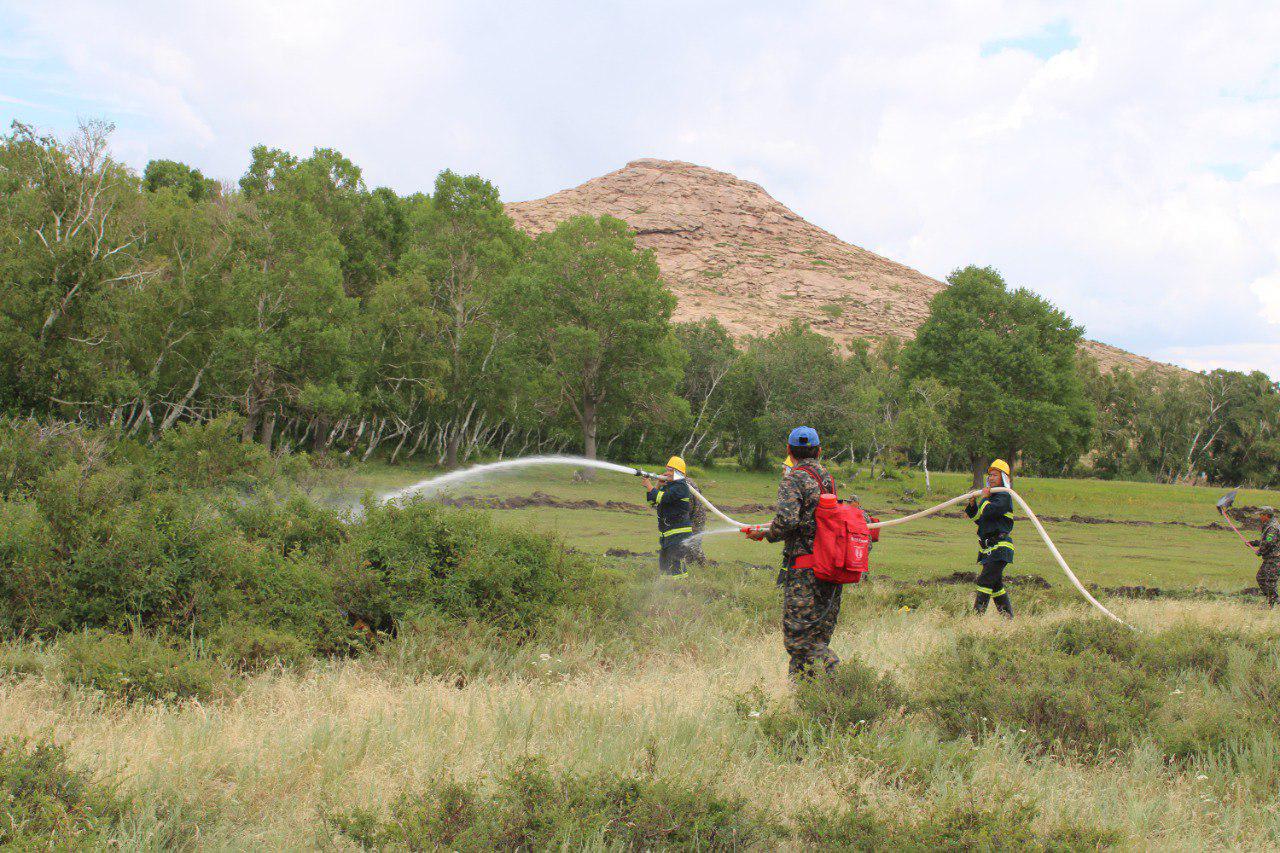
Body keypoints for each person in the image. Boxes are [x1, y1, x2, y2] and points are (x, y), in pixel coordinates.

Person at [744, 426, 842, 679]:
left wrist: (765, 533)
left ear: (789, 451)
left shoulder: (794, 478)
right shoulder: (827, 478)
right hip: (829, 568)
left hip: (805, 571)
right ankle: (803, 699)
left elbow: (787, 521)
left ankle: (844, 682)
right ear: (819, 451)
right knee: (816, 637)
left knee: (799, 642)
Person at [965, 459, 1015, 618]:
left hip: (1000, 547)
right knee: (995, 585)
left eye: (995, 475)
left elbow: (989, 511)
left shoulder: (1004, 496)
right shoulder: (991, 497)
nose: (991, 478)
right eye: (990, 475)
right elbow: (979, 518)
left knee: (984, 581)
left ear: (1003, 478)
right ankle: (1008, 619)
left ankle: (975, 619)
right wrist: (973, 504)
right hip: (988, 549)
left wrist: (984, 498)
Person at [643, 456, 694, 578]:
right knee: (664, 565)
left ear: (679, 473)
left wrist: (648, 485)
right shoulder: (669, 486)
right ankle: (666, 589)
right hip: (667, 534)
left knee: (676, 564)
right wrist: (657, 485)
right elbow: (652, 502)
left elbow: (662, 498)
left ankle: (681, 589)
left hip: (678, 533)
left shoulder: (681, 487)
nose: (667, 473)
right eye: (667, 470)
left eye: (670, 470)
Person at [1248, 506, 1279, 608]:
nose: (1259, 517)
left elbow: (1269, 542)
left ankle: (1272, 602)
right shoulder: (1269, 525)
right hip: (1270, 558)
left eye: (1261, 515)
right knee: (1262, 578)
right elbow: (1265, 541)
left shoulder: (1273, 527)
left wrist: (1260, 551)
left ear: (1266, 515)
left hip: (1275, 558)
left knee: (1270, 581)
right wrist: (1253, 543)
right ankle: (1272, 601)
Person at [684, 472, 710, 567]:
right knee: (687, 543)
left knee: (694, 545)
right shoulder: (686, 482)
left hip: (696, 519)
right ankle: (689, 565)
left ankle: (704, 566)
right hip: (694, 516)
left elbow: (689, 507)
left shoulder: (686, 484)